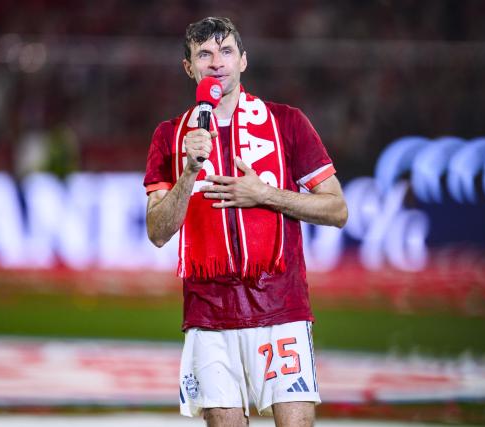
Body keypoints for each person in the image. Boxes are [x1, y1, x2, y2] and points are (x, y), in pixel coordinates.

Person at [144, 17, 347, 427]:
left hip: (281, 306)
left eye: (226, 51)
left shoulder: (287, 121)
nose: (216, 62)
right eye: (204, 54)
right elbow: (157, 232)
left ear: (243, 61)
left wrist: (265, 195)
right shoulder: (170, 136)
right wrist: (188, 172)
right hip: (209, 314)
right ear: (189, 68)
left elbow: (337, 210)